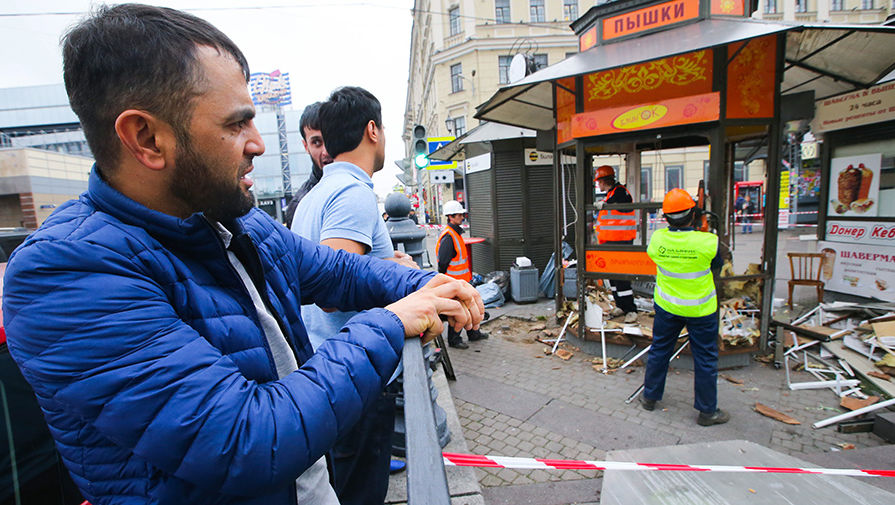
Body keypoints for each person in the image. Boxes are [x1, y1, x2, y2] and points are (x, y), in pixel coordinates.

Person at [1, 5, 484, 505]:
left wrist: (423, 286)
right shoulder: (65, 272)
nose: (257, 144)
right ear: (147, 138)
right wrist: (391, 323)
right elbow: (247, 439)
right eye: (236, 125)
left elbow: (336, 271)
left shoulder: (230, 219)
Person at [291, 86, 417, 505]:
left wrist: (386, 265)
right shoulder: (352, 193)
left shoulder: (315, 196)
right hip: (357, 374)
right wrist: (397, 274)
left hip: (328, 367)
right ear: (372, 131)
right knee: (359, 492)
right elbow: (332, 287)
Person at [642, 188, 729, 427]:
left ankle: (649, 397)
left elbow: (656, 256)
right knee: (705, 359)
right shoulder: (708, 242)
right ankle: (707, 412)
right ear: (693, 214)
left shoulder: (658, 239)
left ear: (666, 218)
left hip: (668, 307)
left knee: (660, 350)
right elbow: (718, 265)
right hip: (701, 311)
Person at [437, 200, 489, 349]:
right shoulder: (449, 236)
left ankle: (474, 333)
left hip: (463, 282)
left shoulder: (455, 233)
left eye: (462, 214)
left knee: (470, 308)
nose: (462, 217)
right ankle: (454, 340)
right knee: (457, 312)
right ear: (450, 217)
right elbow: (443, 263)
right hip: (455, 283)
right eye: (459, 215)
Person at [594, 165, 638, 324]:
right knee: (613, 276)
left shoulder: (620, 192)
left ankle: (631, 309)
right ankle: (620, 305)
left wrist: (605, 204)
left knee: (621, 276)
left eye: (599, 181)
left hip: (621, 241)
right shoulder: (612, 194)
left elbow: (619, 203)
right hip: (610, 242)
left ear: (604, 181)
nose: (598, 185)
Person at [283, 102, 333, 228]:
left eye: (330, 140)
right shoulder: (300, 205)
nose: (326, 151)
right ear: (306, 146)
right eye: (316, 142)